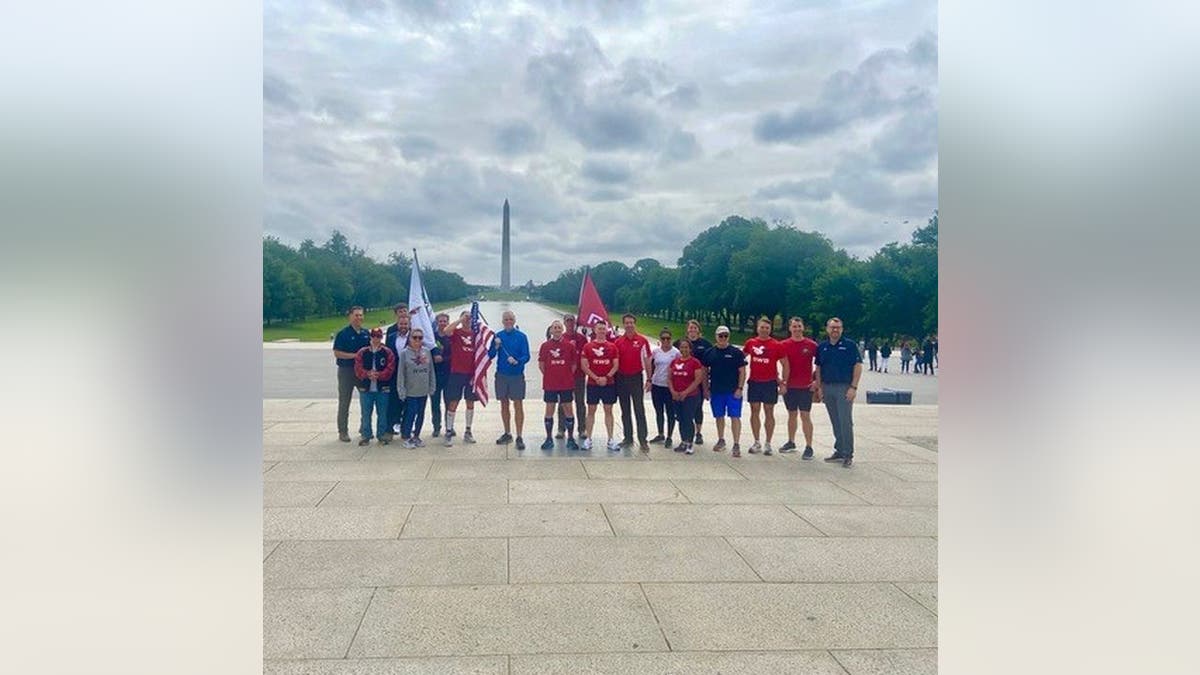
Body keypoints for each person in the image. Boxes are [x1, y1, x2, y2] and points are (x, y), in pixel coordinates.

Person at [814, 317, 862, 468]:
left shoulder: (849, 346)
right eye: (832, 327)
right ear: (827, 329)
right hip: (828, 387)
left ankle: (848, 453)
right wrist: (820, 387)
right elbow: (819, 368)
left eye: (838, 327)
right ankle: (840, 449)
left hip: (844, 387)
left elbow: (857, 366)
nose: (835, 330)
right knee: (835, 420)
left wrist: (853, 387)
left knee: (845, 421)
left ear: (842, 329)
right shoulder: (822, 347)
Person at [743, 317, 788, 456]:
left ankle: (768, 443)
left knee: (769, 411)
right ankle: (757, 441)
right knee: (754, 411)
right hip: (755, 382)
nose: (764, 330)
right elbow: (740, 358)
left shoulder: (776, 345)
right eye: (762, 327)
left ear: (770, 329)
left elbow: (785, 363)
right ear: (757, 328)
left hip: (769, 382)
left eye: (767, 328)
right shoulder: (751, 343)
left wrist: (783, 382)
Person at [487, 310, 531, 450]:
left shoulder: (522, 336)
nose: (508, 321)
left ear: (514, 320)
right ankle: (507, 432)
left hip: (516, 376)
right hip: (501, 375)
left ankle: (519, 435)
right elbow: (490, 355)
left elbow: (527, 356)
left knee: (518, 404)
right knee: (504, 404)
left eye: (510, 319)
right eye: (506, 319)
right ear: (502, 321)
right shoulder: (498, 336)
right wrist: (496, 346)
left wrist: (517, 361)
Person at [777, 316, 819, 458]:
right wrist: (780, 381)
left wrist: (817, 382)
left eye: (799, 326)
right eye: (794, 326)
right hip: (790, 386)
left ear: (803, 327)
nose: (797, 329)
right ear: (790, 328)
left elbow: (821, 365)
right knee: (792, 414)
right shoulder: (783, 344)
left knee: (805, 415)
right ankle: (791, 441)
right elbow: (773, 363)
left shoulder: (812, 345)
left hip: (806, 386)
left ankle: (809, 446)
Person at [702, 325, 747, 457]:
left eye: (725, 336)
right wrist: (706, 389)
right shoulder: (709, 353)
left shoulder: (736, 353)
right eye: (720, 336)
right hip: (716, 390)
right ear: (716, 337)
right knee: (719, 416)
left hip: (733, 391)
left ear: (728, 337)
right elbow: (704, 372)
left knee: (735, 417)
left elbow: (742, 371)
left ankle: (736, 443)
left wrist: (740, 388)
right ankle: (721, 439)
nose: (723, 338)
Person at [538, 319, 579, 451]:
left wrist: (565, 374)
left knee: (568, 409)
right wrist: (551, 374)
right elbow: (542, 365)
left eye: (559, 327)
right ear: (551, 330)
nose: (557, 329)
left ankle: (571, 438)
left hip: (566, 383)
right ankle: (549, 438)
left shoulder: (569, 346)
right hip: (550, 384)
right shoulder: (545, 346)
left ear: (562, 330)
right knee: (549, 409)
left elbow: (573, 365)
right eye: (554, 328)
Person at [439, 310, 479, 446]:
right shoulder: (457, 332)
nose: (468, 320)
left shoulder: (475, 334)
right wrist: (460, 320)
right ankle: (449, 431)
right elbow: (446, 331)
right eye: (466, 317)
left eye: (470, 317)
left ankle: (468, 431)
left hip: (471, 374)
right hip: (456, 372)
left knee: (470, 403)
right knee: (453, 403)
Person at [580, 321, 621, 452]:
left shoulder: (612, 347)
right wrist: (596, 378)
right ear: (595, 330)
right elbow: (584, 366)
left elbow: (615, 365)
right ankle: (588, 439)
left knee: (608, 411)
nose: (602, 331)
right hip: (593, 384)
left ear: (607, 330)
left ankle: (610, 439)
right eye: (599, 328)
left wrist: (607, 377)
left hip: (608, 384)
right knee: (591, 411)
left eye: (604, 329)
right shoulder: (588, 346)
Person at [332, 306, 370, 442]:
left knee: (366, 400)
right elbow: (337, 352)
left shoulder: (366, 333)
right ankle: (343, 431)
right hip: (346, 371)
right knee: (344, 402)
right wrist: (355, 356)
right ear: (350, 316)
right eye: (356, 315)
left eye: (361, 315)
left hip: (362, 371)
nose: (359, 318)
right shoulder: (343, 334)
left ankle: (364, 428)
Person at [614, 314, 652, 452]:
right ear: (623, 324)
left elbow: (648, 360)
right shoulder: (618, 342)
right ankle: (628, 438)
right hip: (622, 378)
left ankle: (643, 440)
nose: (629, 325)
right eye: (627, 323)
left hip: (636, 378)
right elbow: (614, 362)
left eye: (631, 322)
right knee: (625, 410)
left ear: (635, 324)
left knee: (639, 409)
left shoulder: (642, 340)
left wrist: (649, 379)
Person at [353, 327, 396, 446]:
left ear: (381, 338)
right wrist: (367, 374)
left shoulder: (387, 352)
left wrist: (379, 375)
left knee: (382, 413)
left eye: (378, 336)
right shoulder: (362, 352)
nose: (376, 339)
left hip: (382, 388)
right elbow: (357, 368)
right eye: (373, 336)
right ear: (370, 337)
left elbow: (390, 368)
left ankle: (381, 434)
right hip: (366, 388)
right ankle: (366, 435)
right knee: (366, 413)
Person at [395, 327, 436, 448]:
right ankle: (407, 437)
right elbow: (401, 374)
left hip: (423, 390)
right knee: (410, 414)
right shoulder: (404, 353)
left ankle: (416, 436)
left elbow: (431, 371)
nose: (417, 339)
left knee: (421, 414)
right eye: (415, 337)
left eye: (420, 337)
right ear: (410, 339)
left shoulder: (426, 352)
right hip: (410, 391)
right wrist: (401, 390)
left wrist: (432, 386)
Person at [675, 320, 712, 445]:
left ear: (699, 330)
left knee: (698, 407)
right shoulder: (680, 343)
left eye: (695, 328)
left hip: (699, 380)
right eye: (690, 328)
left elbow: (712, 358)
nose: (692, 330)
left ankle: (698, 432)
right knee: (684, 409)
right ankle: (686, 432)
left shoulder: (705, 344)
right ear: (687, 330)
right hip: (683, 379)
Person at [553, 314, 589, 440]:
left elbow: (586, 355)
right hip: (564, 377)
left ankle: (582, 429)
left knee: (580, 403)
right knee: (563, 403)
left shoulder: (581, 339)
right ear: (564, 323)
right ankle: (561, 429)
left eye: (572, 321)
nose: (570, 323)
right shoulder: (561, 338)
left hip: (579, 375)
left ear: (575, 323)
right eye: (567, 321)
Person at [668, 338, 705, 455]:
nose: (684, 349)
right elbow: (669, 378)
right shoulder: (675, 362)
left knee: (688, 419)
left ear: (690, 348)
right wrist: (673, 391)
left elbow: (698, 379)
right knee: (680, 419)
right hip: (676, 396)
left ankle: (690, 443)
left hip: (691, 396)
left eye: (686, 347)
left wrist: (685, 392)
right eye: (682, 347)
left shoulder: (695, 362)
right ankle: (683, 441)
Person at [648, 328, 680, 447]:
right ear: (660, 339)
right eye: (663, 338)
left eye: (668, 338)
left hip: (669, 386)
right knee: (659, 411)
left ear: (671, 339)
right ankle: (660, 433)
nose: (666, 341)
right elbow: (651, 365)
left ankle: (669, 436)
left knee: (670, 412)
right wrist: (649, 380)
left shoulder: (676, 352)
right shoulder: (656, 352)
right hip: (657, 384)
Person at [385, 303, 411, 437]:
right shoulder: (391, 335)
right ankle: (390, 427)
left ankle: (406, 427)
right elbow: (387, 353)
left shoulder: (415, 336)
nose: (403, 326)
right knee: (393, 401)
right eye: (401, 324)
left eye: (405, 324)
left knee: (408, 402)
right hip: (394, 374)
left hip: (410, 375)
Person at [429, 312, 451, 437]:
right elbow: (427, 352)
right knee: (435, 403)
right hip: (435, 375)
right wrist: (434, 357)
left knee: (449, 402)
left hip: (448, 374)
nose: (442, 323)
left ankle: (449, 426)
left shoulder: (451, 337)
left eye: (444, 321)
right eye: (440, 321)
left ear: (448, 322)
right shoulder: (432, 337)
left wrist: (444, 359)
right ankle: (436, 427)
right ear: (437, 323)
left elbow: (455, 355)